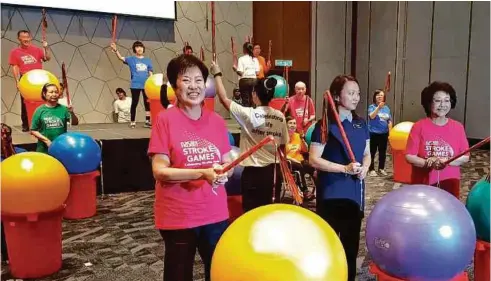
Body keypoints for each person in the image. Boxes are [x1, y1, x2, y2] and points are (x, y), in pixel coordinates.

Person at [148, 54, 234, 281]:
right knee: (178, 275)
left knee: (219, 273)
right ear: (175, 87)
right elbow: (160, 171)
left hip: (215, 214)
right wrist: (202, 173)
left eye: (199, 80)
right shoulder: (165, 120)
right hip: (178, 216)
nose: (194, 86)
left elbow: (227, 162)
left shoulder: (216, 121)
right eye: (186, 80)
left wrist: (225, 172)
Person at [309, 75, 370, 281]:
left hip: (355, 194)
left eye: (358, 93)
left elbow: (367, 154)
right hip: (332, 195)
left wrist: (365, 168)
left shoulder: (362, 124)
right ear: (336, 96)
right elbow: (314, 160)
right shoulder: (325, 125)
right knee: (330, 248)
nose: (356, 98)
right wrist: (344, 168)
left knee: (351, 250)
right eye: (350, 93)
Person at [215, 69, 289, 212]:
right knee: (271, 212)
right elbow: (283, 147)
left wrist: (217, 73)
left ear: (254, 95)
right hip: (274, 173)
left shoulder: (248, 114)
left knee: (251, 213)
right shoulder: (280, 116)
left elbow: (224, 98)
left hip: (253, 175)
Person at [405, 81, 469, 198]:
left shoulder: (458, 127)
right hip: (423, 184)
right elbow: (410, 156)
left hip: (450, 182)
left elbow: (465, 156)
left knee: (449, 214)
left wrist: (446, 161)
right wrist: (428, 163)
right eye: (438, 100)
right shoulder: (419, 126)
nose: (442, 105)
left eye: (446, 100)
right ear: (429, 103)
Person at [9, 29, 51, 132]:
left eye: (27, 37)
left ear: (30, 37)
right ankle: (26, 125)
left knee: (42, 101)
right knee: (25, 103)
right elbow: (15, 67)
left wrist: (46, 47)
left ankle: (41, 123)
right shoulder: (15, 52)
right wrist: (17, 81)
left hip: (39, 78)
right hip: (26, 79)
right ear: (19, 39)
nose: (25, 39)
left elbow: (47, 58)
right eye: (23, 37)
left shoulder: (36, 50)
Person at [110, 41, 153, 128]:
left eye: (141, 47)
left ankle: (147, 121)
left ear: (143, 48)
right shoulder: (131, 59)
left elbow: (150, 73)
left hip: (146, 85)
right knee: (134, 103)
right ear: (134, 49)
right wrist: (115, 50)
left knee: (147, 103)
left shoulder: (148, 60)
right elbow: (121, 58)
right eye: (137, 47)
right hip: (135, 84)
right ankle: (132, 121)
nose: (139, 48)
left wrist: (151, 82)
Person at [30, 83, 79, 153]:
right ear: (44, 94)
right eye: (51, 92)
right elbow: (33, 130)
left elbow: (75, 123)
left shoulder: (64, 109)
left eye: (56, 92)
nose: (54, 94)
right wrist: (47, 141)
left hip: (61, 147)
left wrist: (72, 112)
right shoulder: (39, 110)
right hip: (44, 149)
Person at [285, 116, 315, 200]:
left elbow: (305, 150)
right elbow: (282, 154)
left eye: (294, 123)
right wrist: (293, 159)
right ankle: (305, 191)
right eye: (290, 123)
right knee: (299, 167)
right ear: (285, 125)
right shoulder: (283, 137)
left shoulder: (298, 136)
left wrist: (303, 140)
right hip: (289, 162)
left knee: (312, 167)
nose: (293, 125)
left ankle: (319, 189)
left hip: (300, 160)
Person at [367, 90, 392, 176]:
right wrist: (378, 108)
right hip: (373, 133)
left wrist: (390, 133)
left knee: (382, 152)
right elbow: (371, 116)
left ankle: (381, 168)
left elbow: (389, 121)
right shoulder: (372, 107)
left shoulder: (387, 108)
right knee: (372, 152)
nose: (380, 97)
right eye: (378, 95)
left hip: (383, 134)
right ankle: (371, 169)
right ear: (374, 97)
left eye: (381, 95)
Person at [233, 42, 260, 107]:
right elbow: (257, 73)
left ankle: (246, 113)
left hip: (245, 81)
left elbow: (241, 73)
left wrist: (235, 69)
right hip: (254, 81)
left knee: (245, 100)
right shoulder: (255, 59)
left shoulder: (241, 59)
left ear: (244, 49)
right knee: (252, 99)